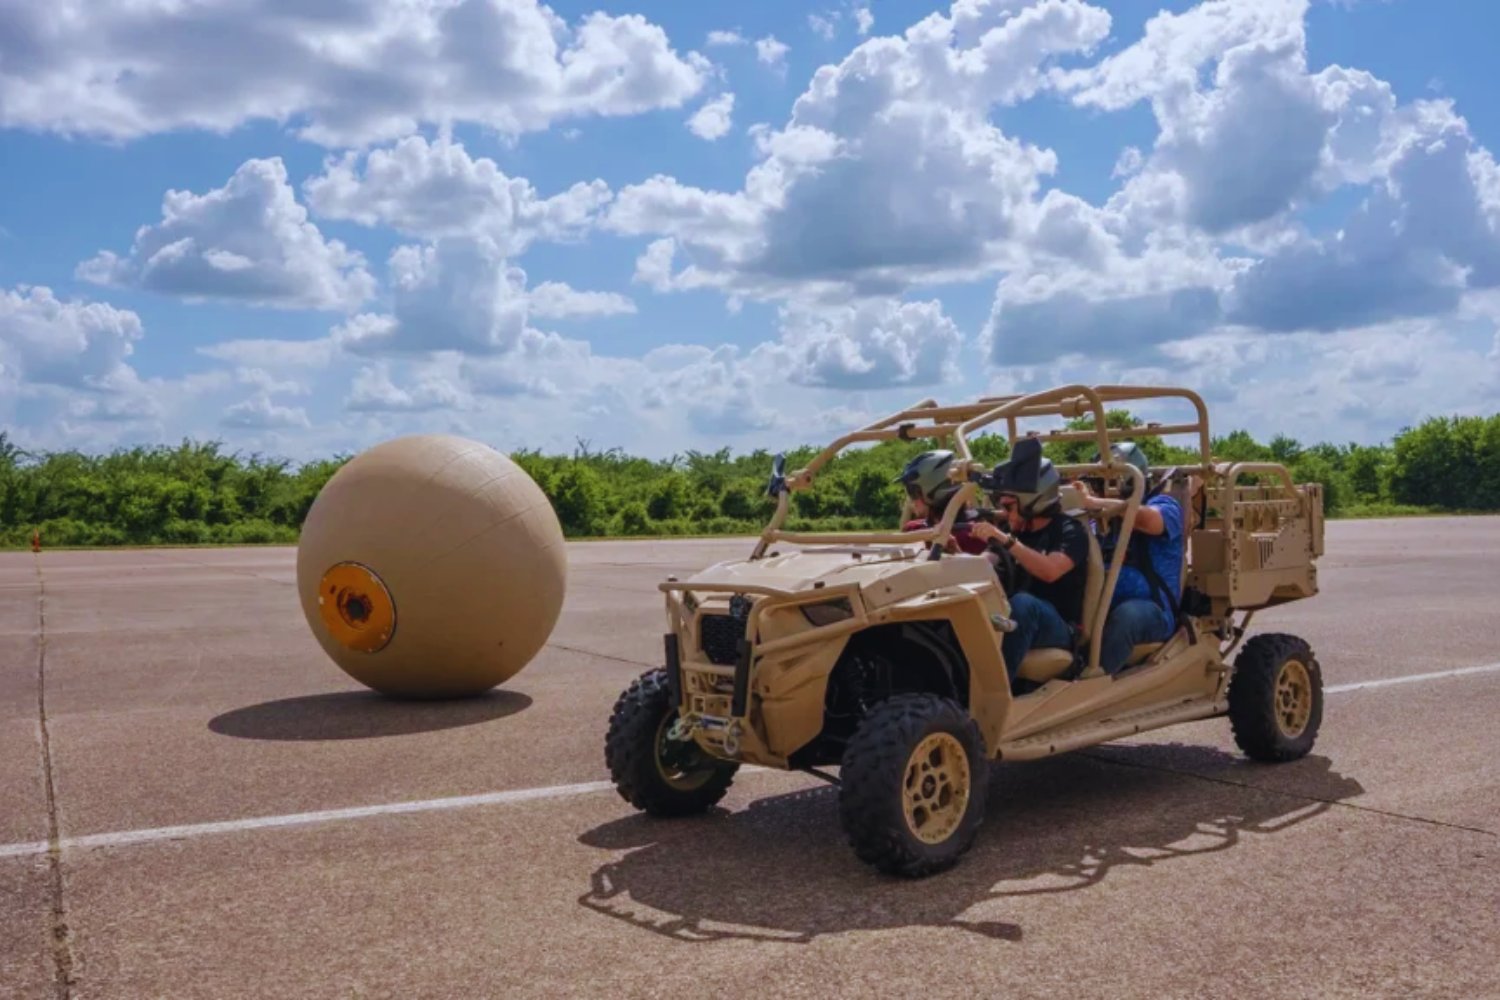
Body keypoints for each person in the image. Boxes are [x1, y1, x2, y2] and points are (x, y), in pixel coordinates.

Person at [967, 439, 1091, 681]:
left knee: (1024, 605)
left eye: (1008, 506)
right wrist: (958, 559)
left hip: (1058, 625)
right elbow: (987, 561)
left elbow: (1050, 571)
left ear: (1034, 501)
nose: (1003, 512)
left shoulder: (1070, 531)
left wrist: (1007, 541)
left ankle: (994, 691)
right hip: (1012, 612)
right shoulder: (1013, 530)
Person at [1075, 441, 1185, 675]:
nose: (1101, 489)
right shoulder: (1098, 519)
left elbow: (1150, 521)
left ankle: (1094, 680)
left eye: (1108, 482)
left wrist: (1096, 504)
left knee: (1128, 617)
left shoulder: (1165, 505)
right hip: (1098, 604)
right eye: (1098, 483)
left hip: (1153, 611)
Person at [894, 449, 991, 556]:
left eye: (912, 491)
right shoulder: (913, 529)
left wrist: (955, 553)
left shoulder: (975, 534)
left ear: (934, 490)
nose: (911, 499)